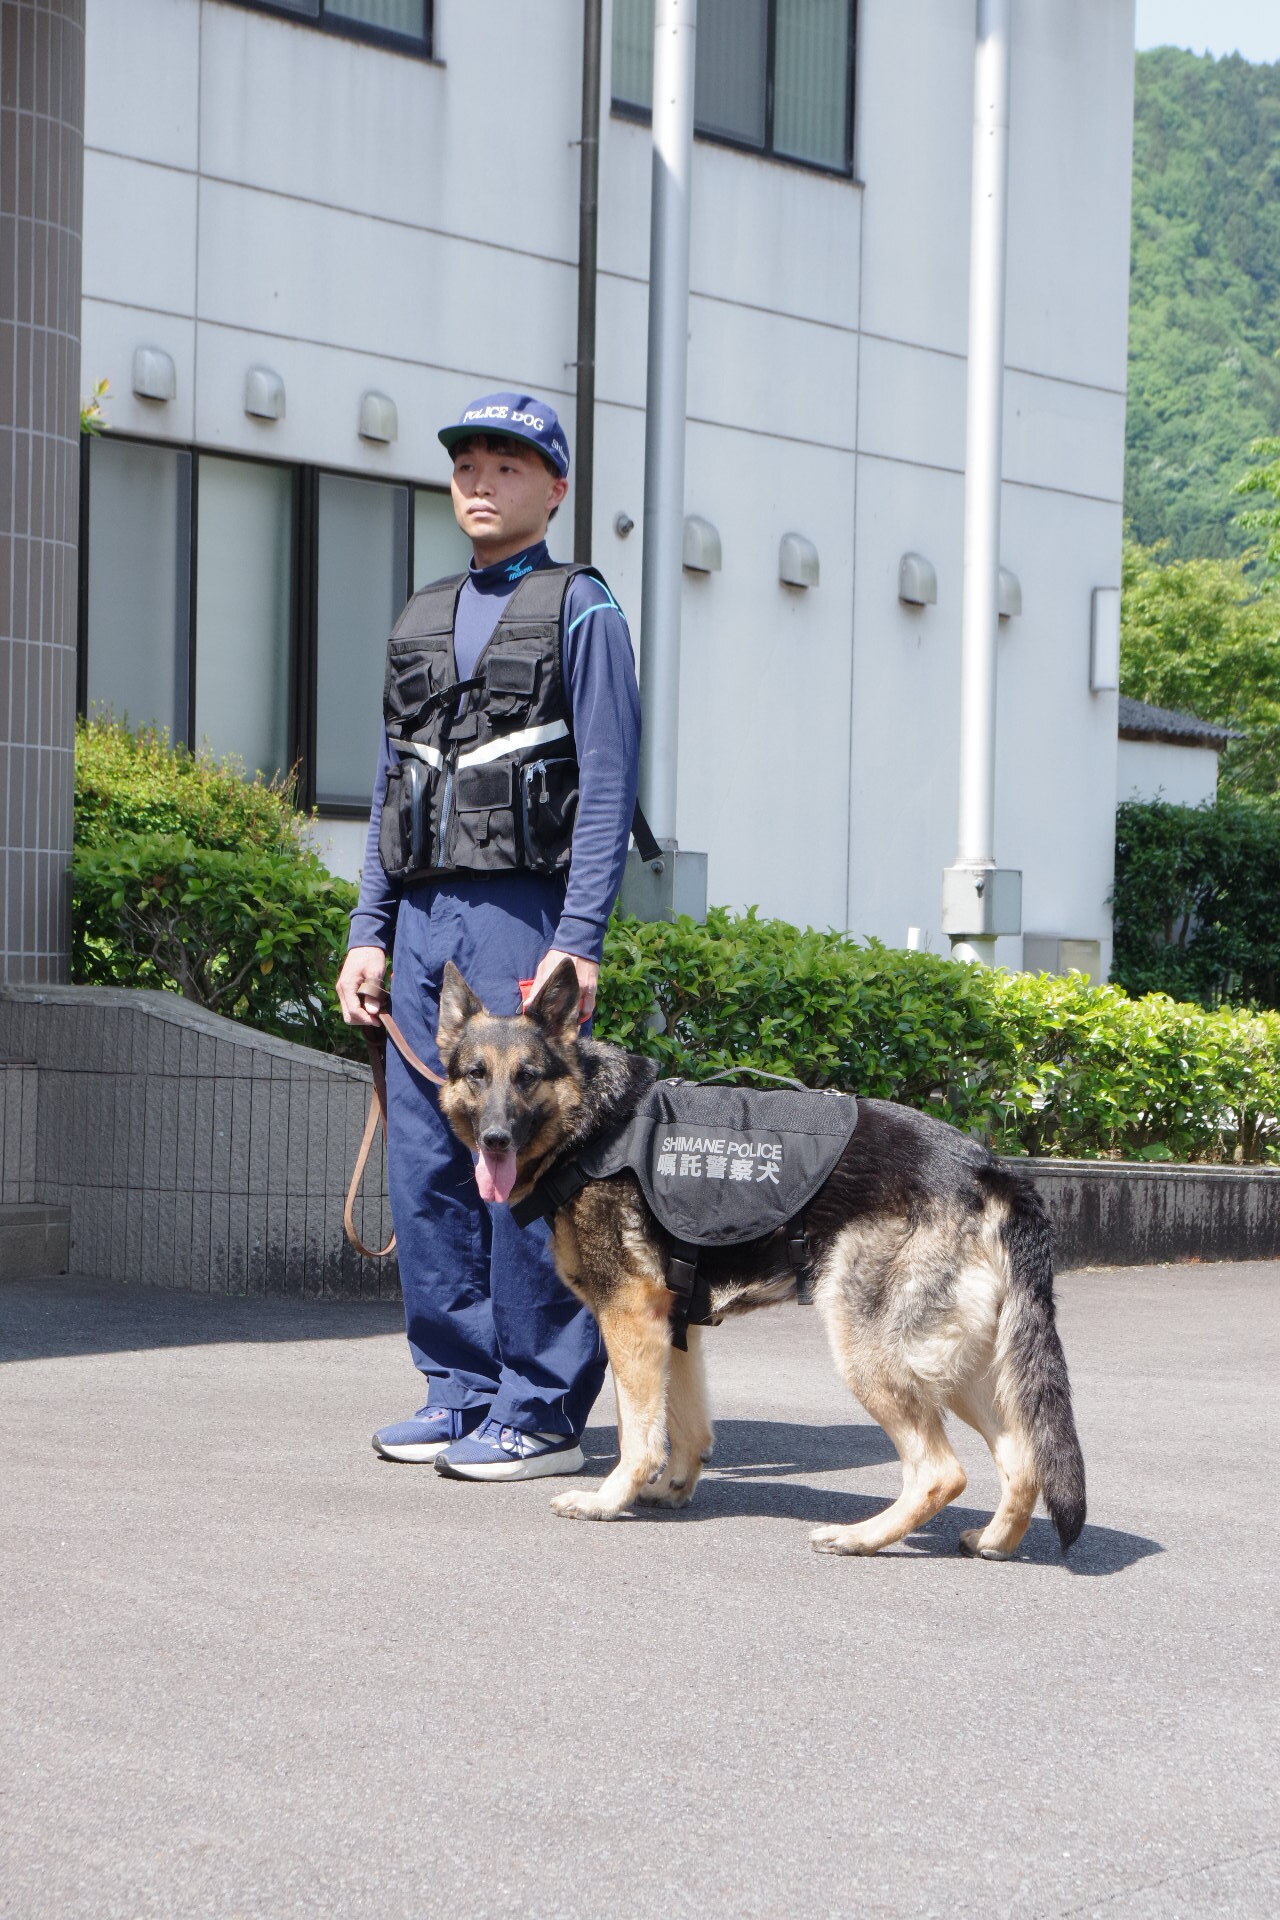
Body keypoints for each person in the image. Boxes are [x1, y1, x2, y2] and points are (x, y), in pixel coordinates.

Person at [336, 392, 641, 1482]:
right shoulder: (417, 613)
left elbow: (605, 786)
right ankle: (457, 1390)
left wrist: (580, 936)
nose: (479, 479)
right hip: (421, 919)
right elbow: (388, 789)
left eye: (506, 464)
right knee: (430, 1166)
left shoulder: (582, 608)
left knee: (526, 1154)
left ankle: (544, 1408)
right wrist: (368, 929)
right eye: (466, 461)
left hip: (522, 911)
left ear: (552, 488)